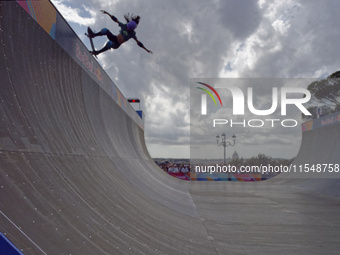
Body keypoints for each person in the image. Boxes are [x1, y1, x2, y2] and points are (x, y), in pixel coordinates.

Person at [87, 11, 153, 56]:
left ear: (132, 29)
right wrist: (107, 13)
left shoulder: (132, 34)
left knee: (109, 43)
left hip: (116, 44)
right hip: (114, 37)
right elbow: (116, 20)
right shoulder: (124, 26)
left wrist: (146, 49)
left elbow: (138, 42)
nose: (127, 29)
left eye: (129, 29)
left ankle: (97, 52)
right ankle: (93, 35)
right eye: (127, 27)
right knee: (105, 30)